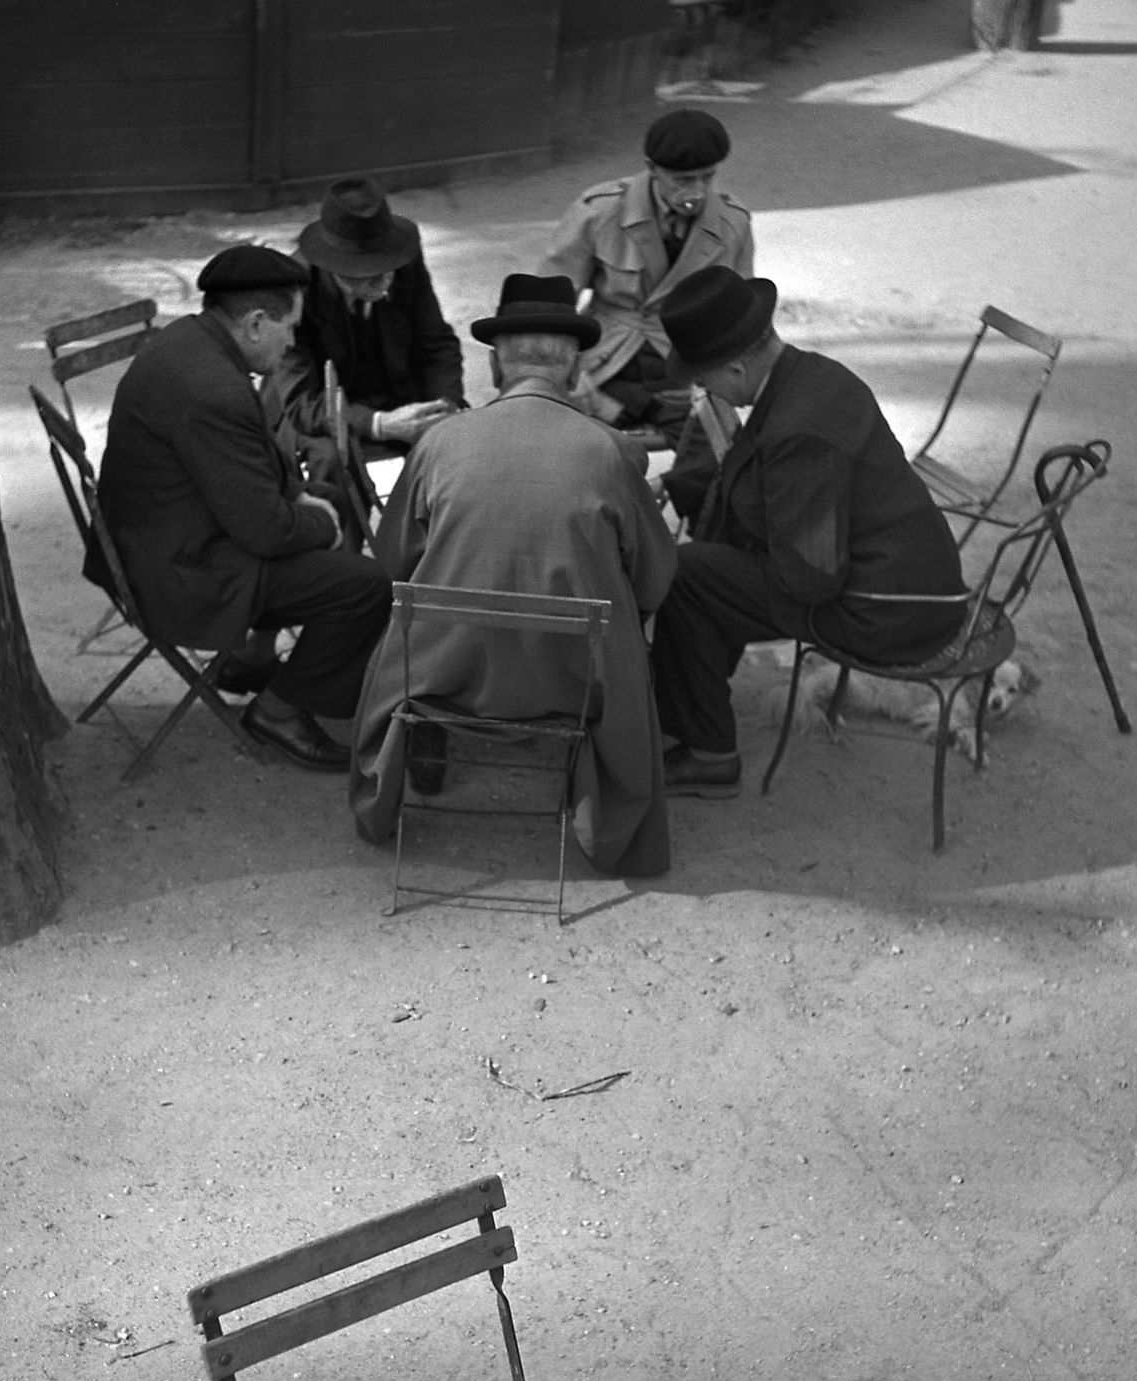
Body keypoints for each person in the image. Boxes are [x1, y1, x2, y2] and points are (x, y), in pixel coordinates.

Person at [349, 274, 680, 878]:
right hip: (573, 682)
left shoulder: (440, 443)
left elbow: (393, 563)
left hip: (442, 675)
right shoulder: (612, 452)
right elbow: (653, 582)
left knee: (416, 617)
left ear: (496, 365)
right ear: (576, 368)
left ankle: (424, 751)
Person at [650, 265, 970, 796]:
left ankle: (709, 755)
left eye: (704, 380)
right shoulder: (812, 374)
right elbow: (761, 473)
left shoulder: (799, 427)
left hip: (888, 612)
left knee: (688, 576)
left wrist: (725, 560)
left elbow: (809, 578)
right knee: (710, 565)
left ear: (734, 368)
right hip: (915, 585)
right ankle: (689, 696)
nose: (703, 390)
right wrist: (678, 485)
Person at [97, 244, 392, 772]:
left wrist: (300, 497)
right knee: (366, 586)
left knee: (329, 498)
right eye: (289, 328)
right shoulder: (211, 389)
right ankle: (278, 711)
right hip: (176, 573)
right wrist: (318, 525)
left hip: (168, 535)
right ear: (255, 323)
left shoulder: (190, 341)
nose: (293, 341)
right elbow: (266, 532)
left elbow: (252, 459)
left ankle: (254, 656)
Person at [537, 108, 753, 441]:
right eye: (683, 180)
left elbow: (740, 319)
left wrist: (718, 383)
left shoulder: (732, 223)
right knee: (566, 446)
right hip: (604, 366)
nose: (697, 192)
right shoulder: (600, 211)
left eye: (707, 177)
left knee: (726, 451)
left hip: (683, 372)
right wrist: (572, 378)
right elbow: (547, 306)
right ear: (652, 169)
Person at [263, 177, 465, 457]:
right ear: (335, 267)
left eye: (387, 268)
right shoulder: (294, 291)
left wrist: (443, 406)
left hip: (397, 393)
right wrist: (378, 424)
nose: (384, 284)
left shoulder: (405, 262)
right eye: (368, 273)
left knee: (457, 439)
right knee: (329, 459)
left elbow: (436, 343)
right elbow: (302, 401)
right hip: (321, 409)